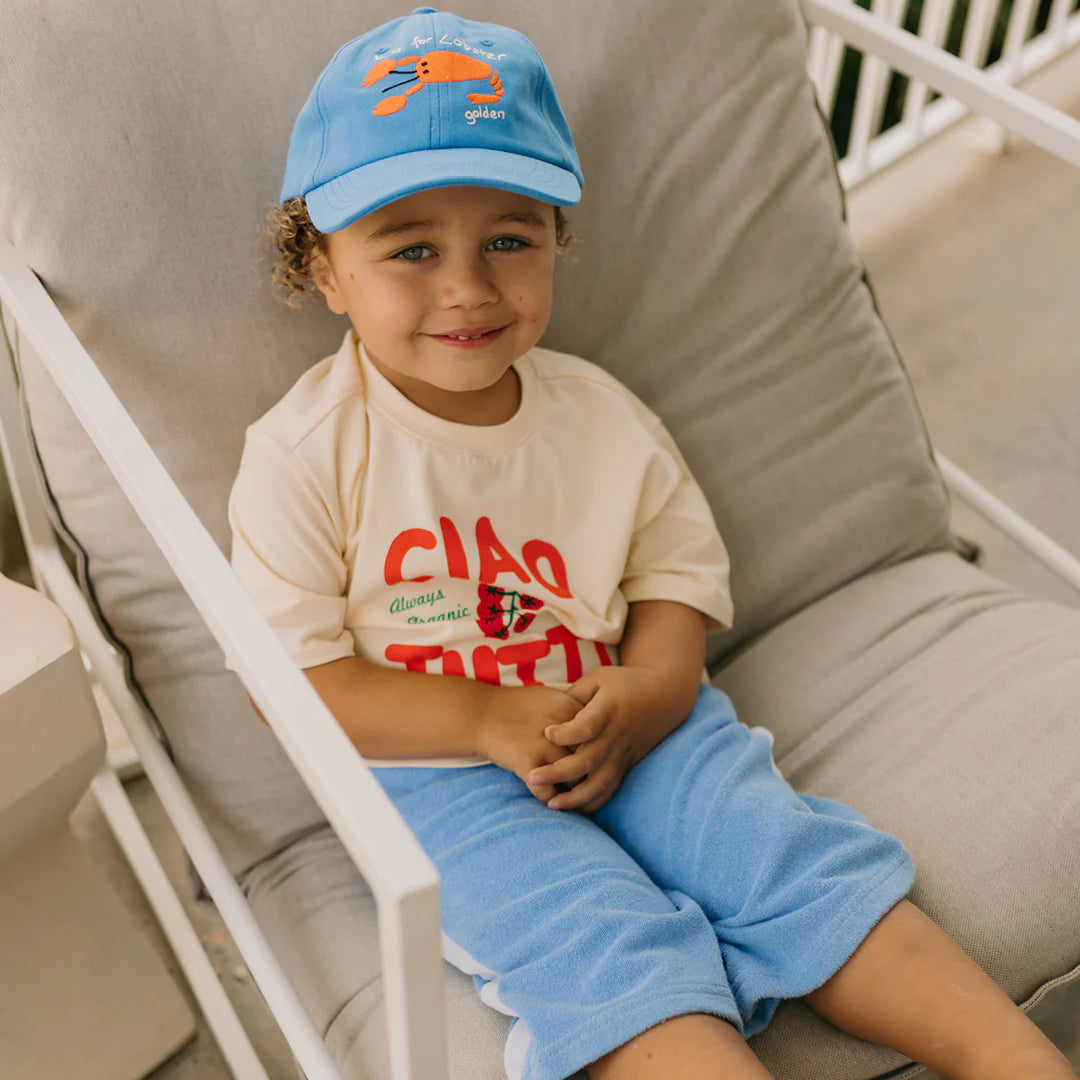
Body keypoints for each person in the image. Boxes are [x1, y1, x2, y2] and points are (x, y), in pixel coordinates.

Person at [227, 8, 1079, 1079]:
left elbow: (673, 579)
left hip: (630, 719)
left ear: (555, 242)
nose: (468, 286)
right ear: (324, 269)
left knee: (793, 864)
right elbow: (290, 681)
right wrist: (483, 715)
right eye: (409, 248)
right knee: (597, 949)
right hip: (436, 772)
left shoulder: (598, 418)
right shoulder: (307, 454)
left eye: (509, 237)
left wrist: (656, 688)